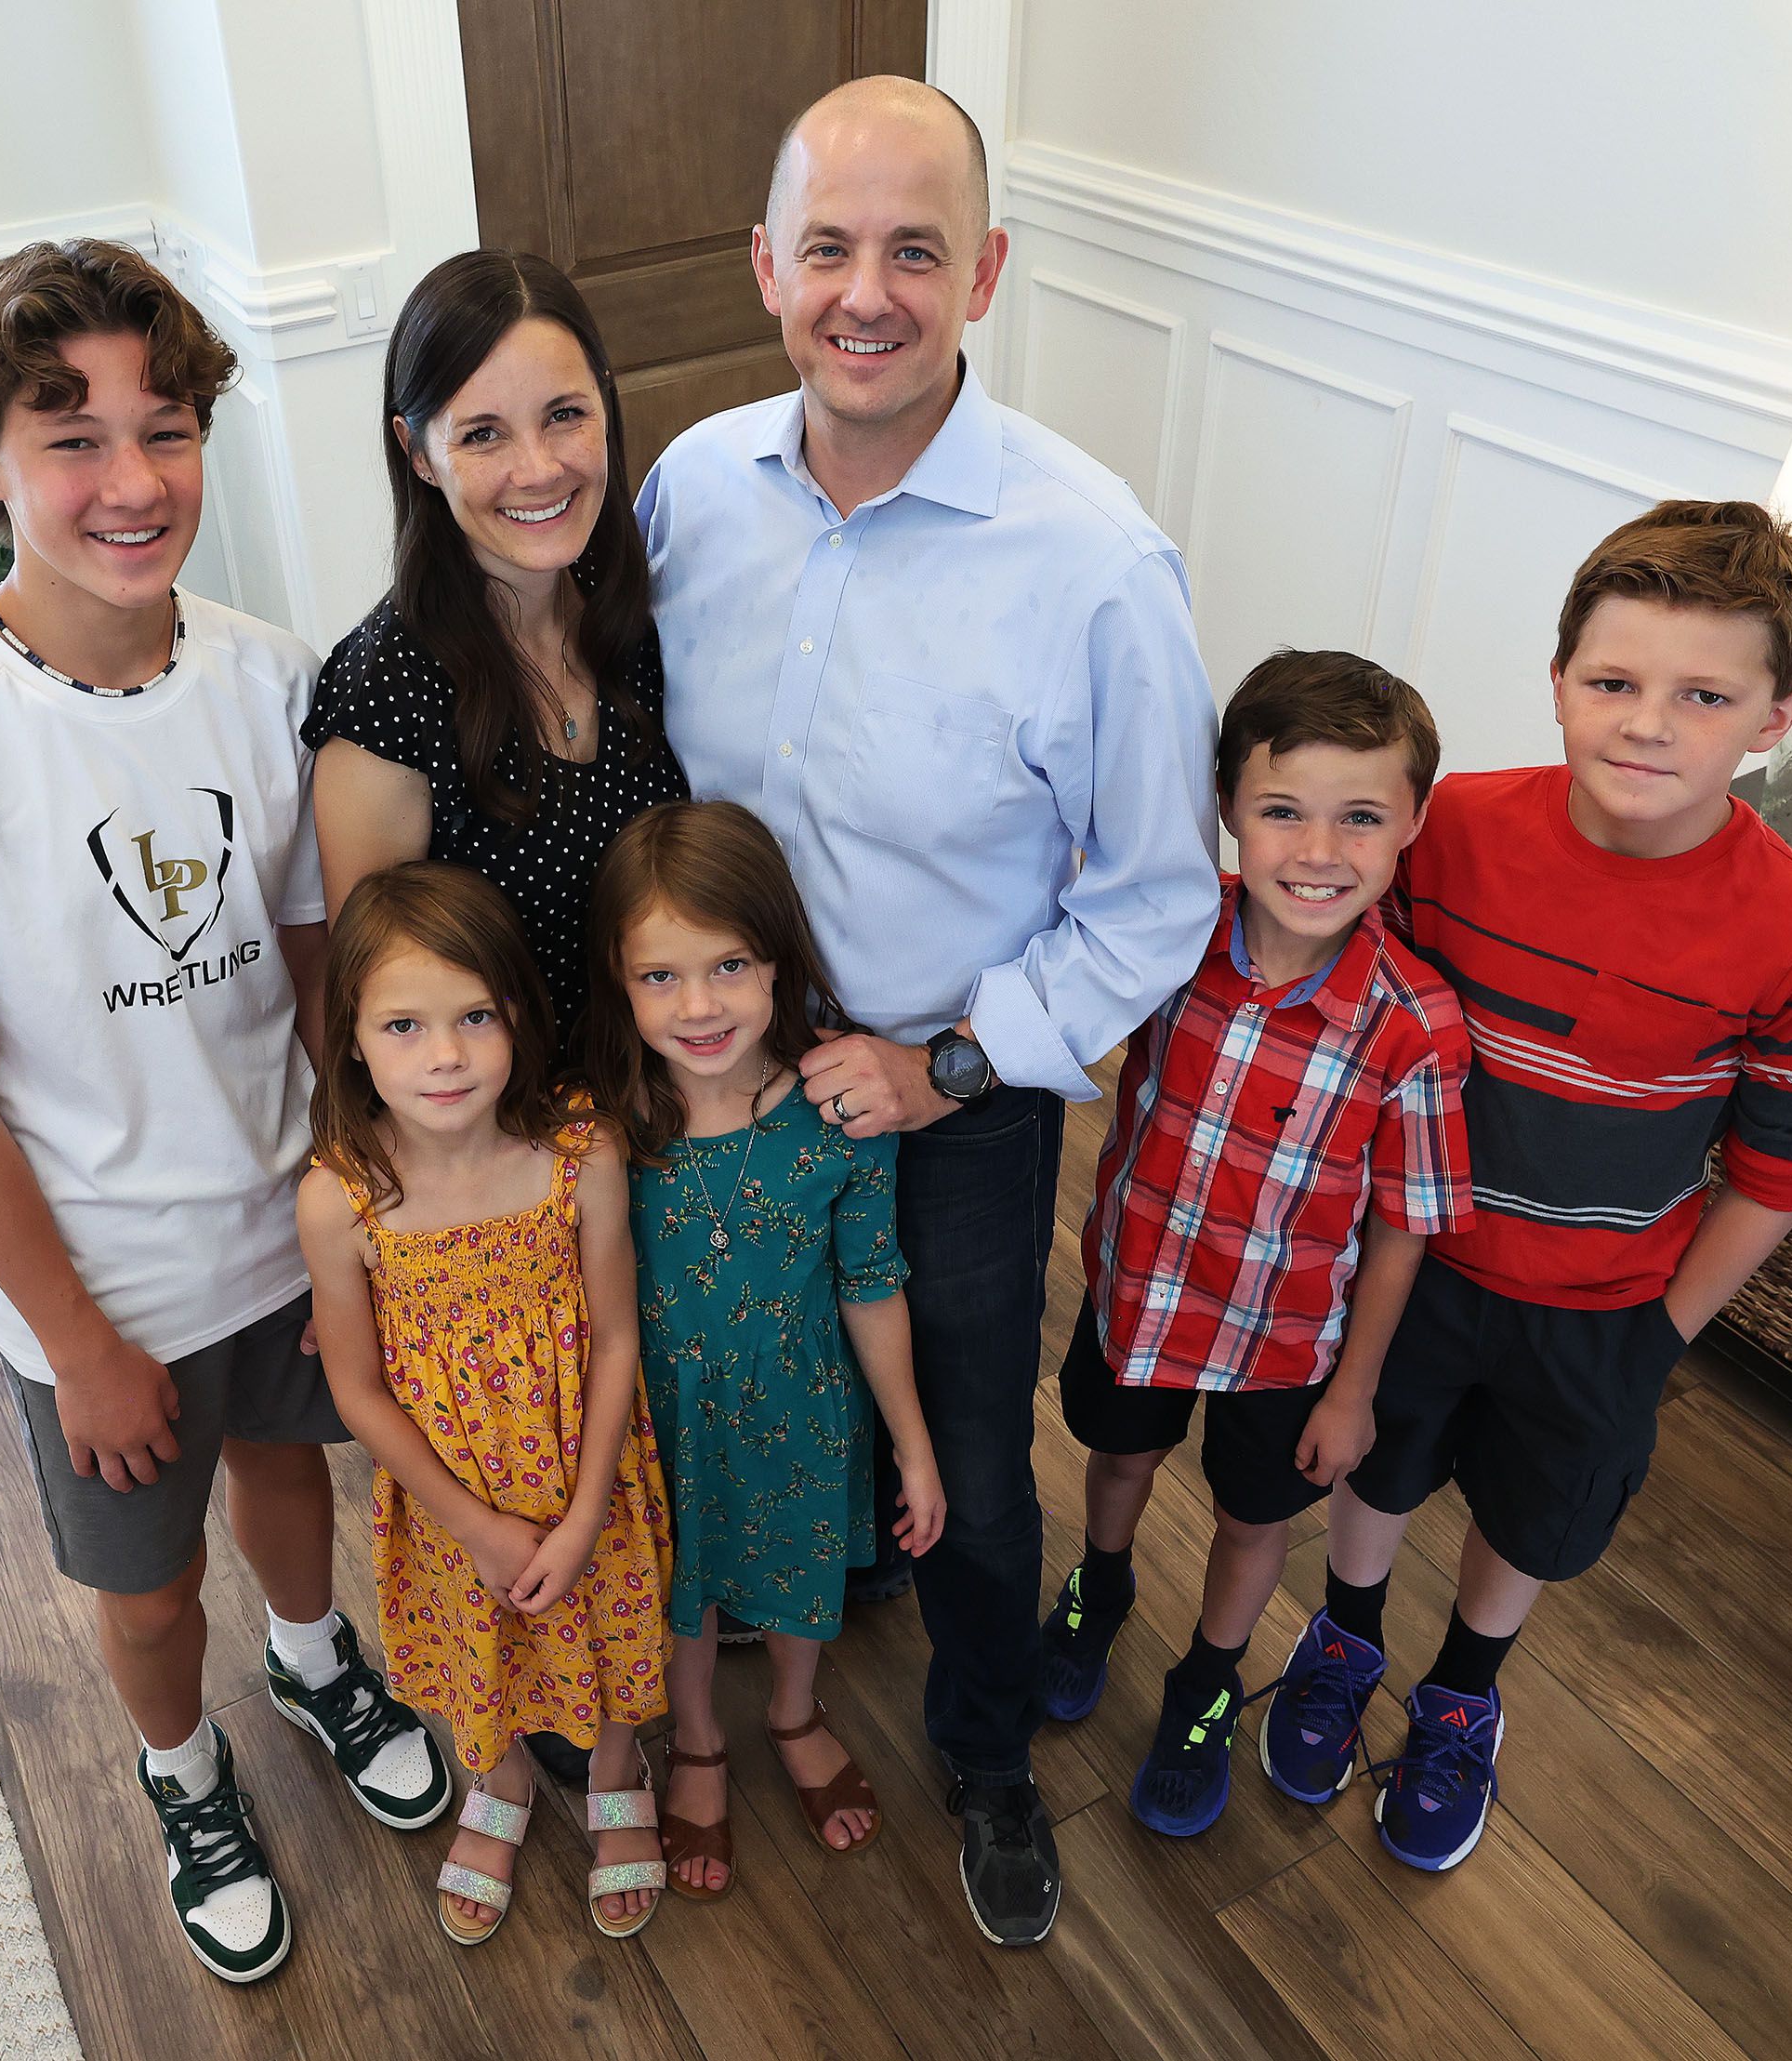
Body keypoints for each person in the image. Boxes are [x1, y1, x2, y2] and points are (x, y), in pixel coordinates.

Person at [637, 76, 1219, 1946]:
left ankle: (982, 1747)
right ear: (765, 266)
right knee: (734, 1385)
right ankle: (754, 1640)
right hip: (714, 1083)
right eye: (827, 247)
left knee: (969, 1463)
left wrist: (948, 1060)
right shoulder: (688, 491)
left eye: (915, 249)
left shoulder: (1096, 564)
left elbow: (1158, 900)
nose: (865, 292)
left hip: (953, 1090)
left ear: (987, 270)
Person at [0, 239, 444, 1988]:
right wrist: (78, 1339)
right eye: (72, 438)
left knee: (287, 1481)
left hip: (282, 1225)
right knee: (154, 1585)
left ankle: (318, 1663)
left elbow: (326, 958)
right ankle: (184, 1772)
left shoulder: (267, 680)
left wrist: (361, 1178)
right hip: (96, 1289)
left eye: (162, 431)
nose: (131, 482)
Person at [1262, 501, 1792, 1872]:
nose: (1647, 723)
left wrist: (1658, 1340)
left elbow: (1780, 1173)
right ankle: (1341, 1638)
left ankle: (1464, 1693)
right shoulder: (1450, 834)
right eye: (1613, 682)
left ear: (1777, 718)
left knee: (1532, 1511)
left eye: (1702, 694)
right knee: (1372, 1461)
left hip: (1607, 1307)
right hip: (1412, 1268)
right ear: (1557, 684)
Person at [1040, 652, 1471, 1840]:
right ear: (1226, 805)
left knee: (1252, 1521)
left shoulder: (1417, 1027)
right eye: (1282, 810)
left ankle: (1205, 1683)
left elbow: (1403, 1229)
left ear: (1412, 826)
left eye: (1361, 818)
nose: (1318, 851)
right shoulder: (1169, 941)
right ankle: (1102, 1585)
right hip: (1138, 1297)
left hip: (1289, 1351)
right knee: (1117, 1462)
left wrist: (1356, 1390)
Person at [296, 862, 673, 1945]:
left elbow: (615, 1335)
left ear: (520, 1014)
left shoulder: (579, 1152)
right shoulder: (342, 1195)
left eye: (474, 1017)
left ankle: (615, 1761)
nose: (446, 1054)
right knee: (477, 1645)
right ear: (354, 1041)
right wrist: (475, 1524)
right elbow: (356, 1389)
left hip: (582, 1471)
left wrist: (591, 1503)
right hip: (450, 1496)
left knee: (602, 1624)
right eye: (404, 1025)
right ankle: (496, 1776)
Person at [581, 799, 945, 1898]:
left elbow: (872, 1282)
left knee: (796, 1582)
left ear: (780, 961)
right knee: (682, 1594)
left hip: (803, 1406)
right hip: (662, 1420)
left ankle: (794, 1712)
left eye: (730, 964)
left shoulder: (840, 1111)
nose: (699, 1006)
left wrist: (914, 1447)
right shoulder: (602, 1123)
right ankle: (695, 1741)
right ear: (617, 977)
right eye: (661, 976)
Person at [304, 248, 690, 1053]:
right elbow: (381, 1012)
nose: (539, 469)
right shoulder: (385, 695)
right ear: (417, 452)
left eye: (565, 414)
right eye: (483, 434)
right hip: (524, 1145)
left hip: (678, 1091)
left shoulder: (643, 608)